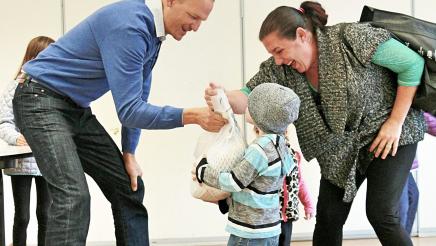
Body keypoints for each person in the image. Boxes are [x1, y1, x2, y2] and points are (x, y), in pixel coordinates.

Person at [204, 2, 426, 245]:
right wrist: (223, 96)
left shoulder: (351, 38)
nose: (277, 60)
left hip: (390, 133)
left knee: (382, 213)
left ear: (301, 35)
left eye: (280, 50)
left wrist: (395, 122)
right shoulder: (281, 71)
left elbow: (412, 63)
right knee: (329, 219)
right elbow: (250, 96)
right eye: (272, 54)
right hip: (340, 150)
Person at [12, 0, 225, 245]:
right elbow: (131, 110)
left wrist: (129, 153)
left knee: (128, 186)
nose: (196, 27)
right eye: (192, 16)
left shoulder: (152, 35)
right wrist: (193, 116)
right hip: (39, 99)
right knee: (73, 196)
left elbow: (139, 98)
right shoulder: (130, 27)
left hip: (73, 109)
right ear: (170, 1)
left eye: (201, 21)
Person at [195, 83, 299, 245]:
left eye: (252, 104)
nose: (247, 106)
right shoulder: (281, 144)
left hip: (249, 231)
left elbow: (234, 182)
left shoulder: (260, 149)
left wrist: (202, 171)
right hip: (270, 228)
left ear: (263, 115)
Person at [0, 36, 54, 246]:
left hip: (47, 160)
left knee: (46, 215)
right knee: (22, 217)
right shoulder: (15, 87)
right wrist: (16, 138)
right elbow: (4, 122)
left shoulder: (54, 88)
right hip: (21, 161)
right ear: (33, 56)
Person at [399, 112, 436, 234]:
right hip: (394, 161)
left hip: (403, 164)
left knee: (412, 197)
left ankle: (404, 240)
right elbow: (429, 122)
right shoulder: (409, 105)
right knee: (401, 207)